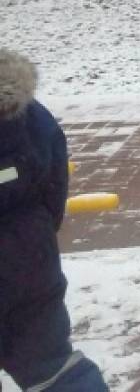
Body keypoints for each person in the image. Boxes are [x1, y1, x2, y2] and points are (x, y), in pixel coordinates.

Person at [0, 48, 110, 391]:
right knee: (53, 367)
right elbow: (54, 181)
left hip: (27, 252)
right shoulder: (30, 115)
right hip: (29, 258)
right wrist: (38, 233)